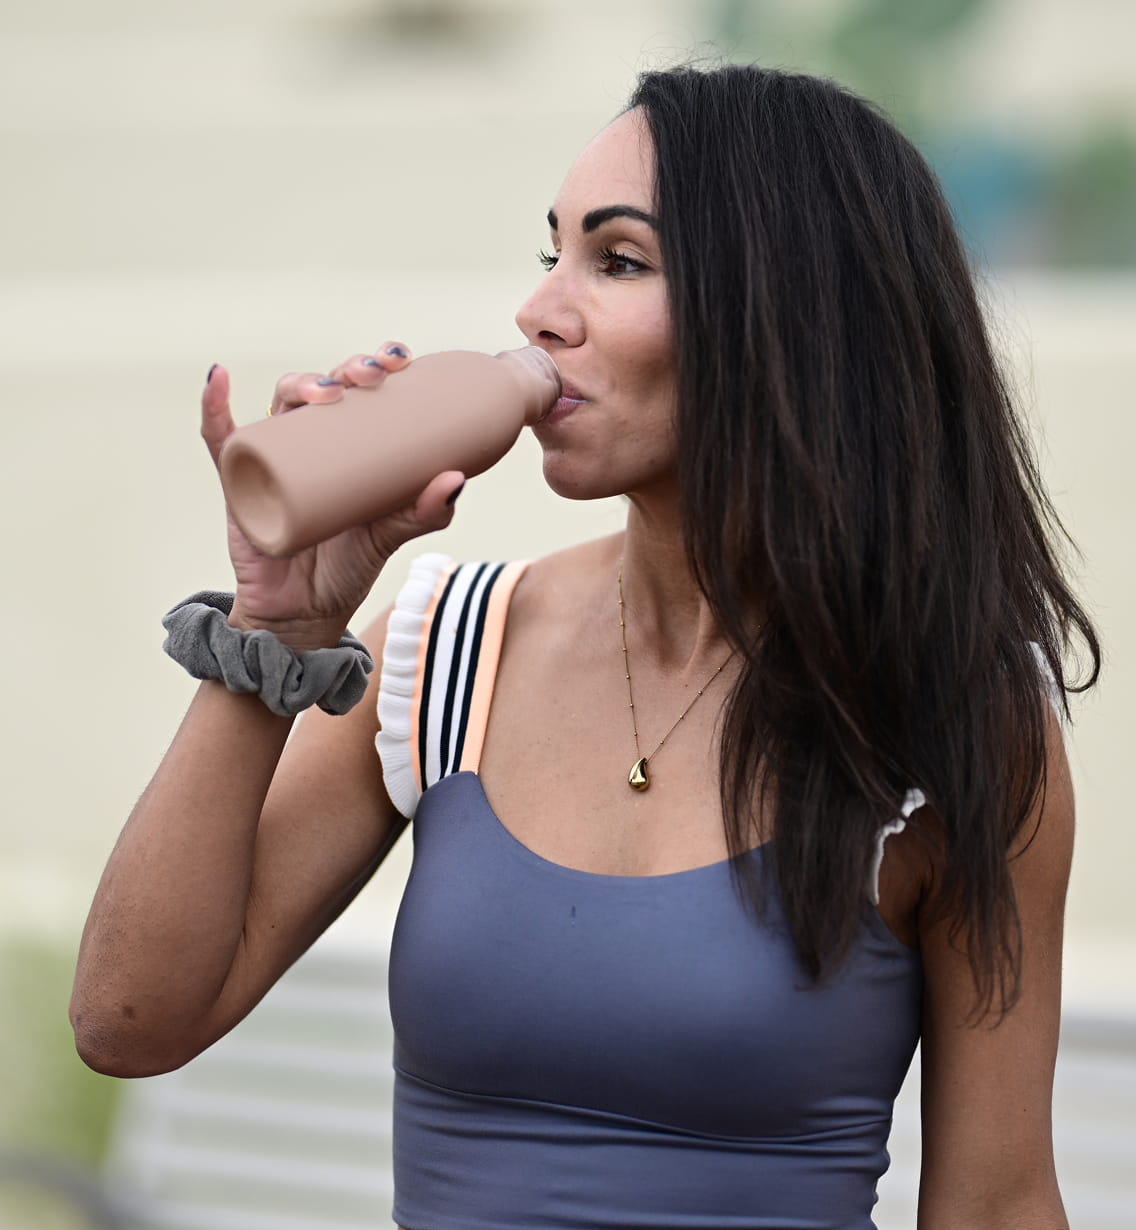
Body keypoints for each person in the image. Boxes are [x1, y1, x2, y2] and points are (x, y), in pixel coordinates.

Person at [71, 63, 1099, 1230]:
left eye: (616, 261)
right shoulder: (449, 645)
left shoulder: (949, 720)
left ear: (788, 312)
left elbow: (997, 1199)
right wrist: (276, 631)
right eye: (549, 253)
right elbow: (128, 1021)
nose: (538, 310)